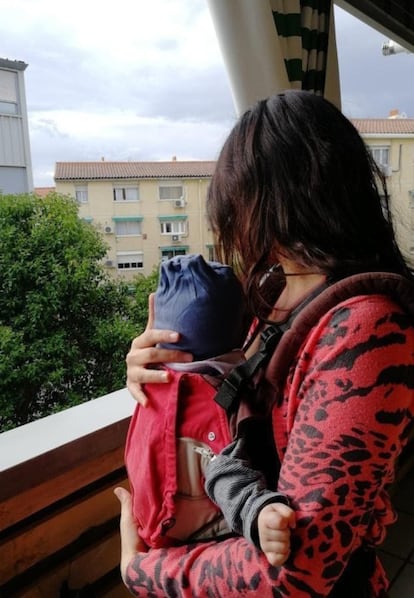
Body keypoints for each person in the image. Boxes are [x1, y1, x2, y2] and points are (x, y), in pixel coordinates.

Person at [115, 90, 414, 597]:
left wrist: (142, 571)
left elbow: (298, 571)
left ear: (274, 201)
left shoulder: (367, 331)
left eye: (239, 204)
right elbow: (230, 392)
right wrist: (154, 365)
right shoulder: (278, 293)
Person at [124, 253, 296, 564]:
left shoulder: (230, 397)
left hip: (198, 549)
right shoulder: (167, 384)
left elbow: (227, 471)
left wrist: (257, 511)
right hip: (178, 542)